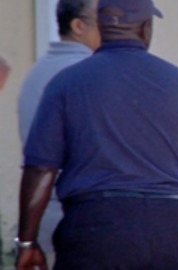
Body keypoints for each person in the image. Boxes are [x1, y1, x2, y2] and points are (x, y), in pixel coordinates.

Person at [15, 0, 178, 269]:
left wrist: (27, 241)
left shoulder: (65, 84)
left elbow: (40, 169)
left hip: (95, 229)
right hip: (169, 228)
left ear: (100, 27)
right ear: (145, 28)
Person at [17, 0, 101, 267]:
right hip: (78, 221)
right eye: (105, 20)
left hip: (44, 218)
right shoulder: (87, 75)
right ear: (78, 25)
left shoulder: (39, 70)